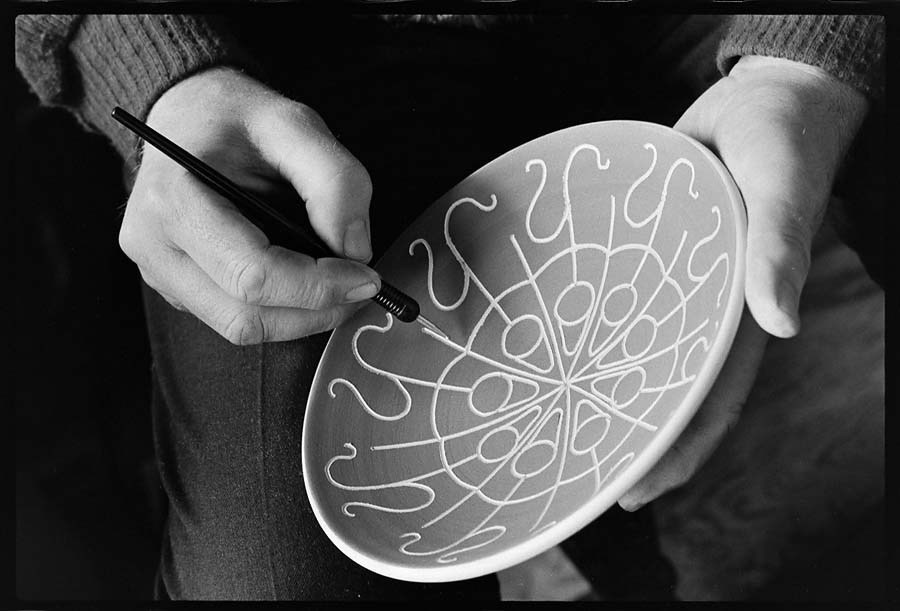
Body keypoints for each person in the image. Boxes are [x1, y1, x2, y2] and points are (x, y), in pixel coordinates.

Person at [15, 11, 885, 600]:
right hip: (275, 55)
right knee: (273, 579)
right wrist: (143, 58)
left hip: (655, 20)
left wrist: (810, 51)